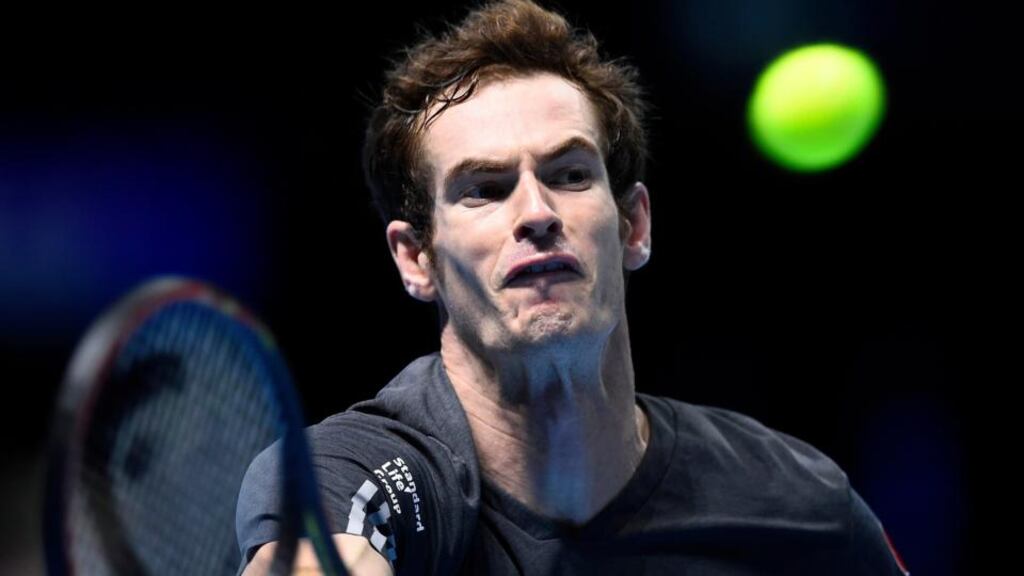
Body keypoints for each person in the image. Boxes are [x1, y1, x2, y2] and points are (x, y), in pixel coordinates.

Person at [236, 1, 910, 574]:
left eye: (569, 175)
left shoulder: (795, 503)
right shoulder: (360, 473)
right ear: (417, 259)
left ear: (633, 225)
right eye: (485, 189)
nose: (536, 213)